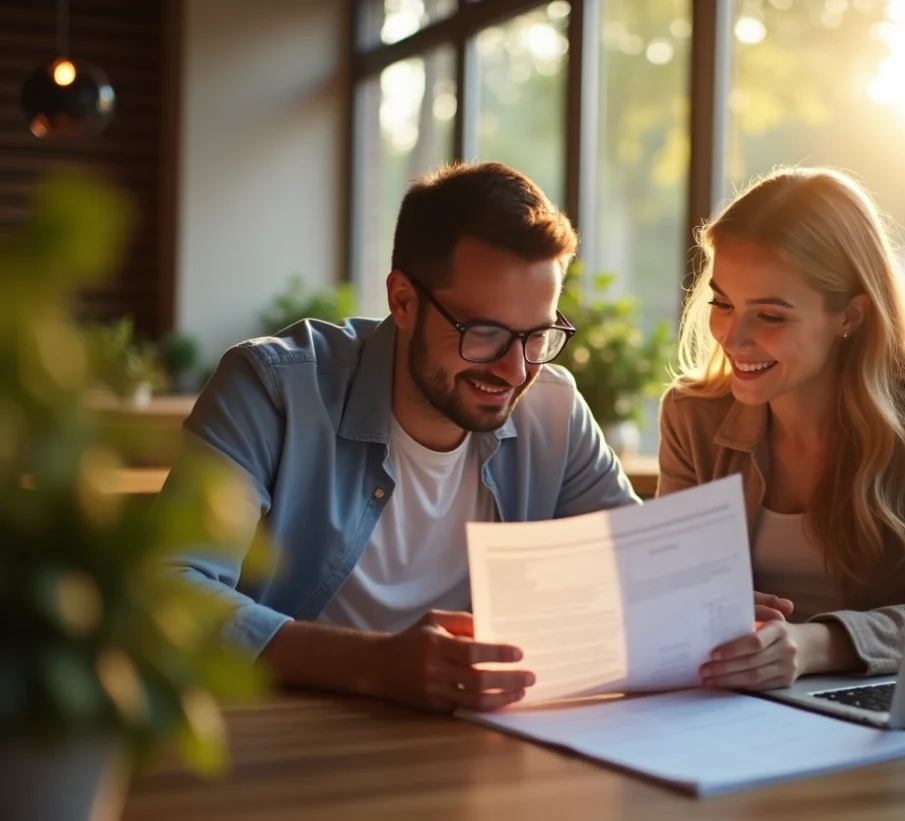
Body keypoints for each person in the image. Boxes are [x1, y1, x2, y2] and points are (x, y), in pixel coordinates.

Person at [164, 162, 645, 714]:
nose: (515, 371)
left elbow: (638, 575)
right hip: (284, 736)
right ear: (403, 301)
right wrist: (374, 665)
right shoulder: (274, 389)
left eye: (537, 336)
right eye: (484, 333)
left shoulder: (554, 411)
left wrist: (729, 621)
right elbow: (170, 588)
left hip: (478, 746)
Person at [656, 166, 905, 692]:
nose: (734, 337)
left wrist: (818, 645)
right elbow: (666, 592)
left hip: (893, 710)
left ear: (852, 316)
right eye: (722, 304)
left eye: (770, 316)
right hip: (731, 710)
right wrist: (700, 606)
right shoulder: (691, 415)